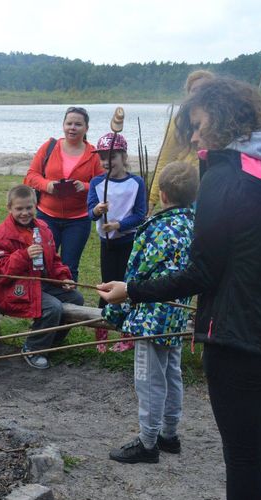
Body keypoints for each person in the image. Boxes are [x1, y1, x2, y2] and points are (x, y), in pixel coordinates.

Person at [98, 76, 261, 500]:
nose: (194, 141)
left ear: (222, 117)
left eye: (197, 127)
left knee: (244, 456)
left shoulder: (224, 176)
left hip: (239, 338)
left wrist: (132, 290)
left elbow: (201, 273)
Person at [101, 161, 197, 464]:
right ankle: (170, 434)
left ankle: (148, 441)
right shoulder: (195, 223)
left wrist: (116, 313)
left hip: (150, 316)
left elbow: (136, 275)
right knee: (172, 373)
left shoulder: (155, 227)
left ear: (163, 194)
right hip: (177, 314)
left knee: (149, 379)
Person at [0, 185, 83, 370]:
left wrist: (63, 278)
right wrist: (23, 255)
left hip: (39, 283)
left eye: (29, 208)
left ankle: (50, 341)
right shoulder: (3, 235)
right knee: (53, 307)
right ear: (9, 208)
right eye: (19, 209)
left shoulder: (43, 229)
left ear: (36, 206)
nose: (24, 213)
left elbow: (54, 259)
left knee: (76, 298)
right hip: (13, 288)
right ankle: (33, 348)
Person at [24, 106, 104, 282]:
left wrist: (84, 186)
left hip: (78, 220)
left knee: (69, 267)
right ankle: (43, 304)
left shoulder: (94, 154)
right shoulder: (49, 147)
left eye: (78, 124)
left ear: (86, 128)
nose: (72, 128)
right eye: (69, 123)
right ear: (63, 125)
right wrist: (48, 185)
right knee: (42, 262)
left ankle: (70, 304)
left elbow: (103, 185)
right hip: (46, 216)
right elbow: (31, 176)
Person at [87, 132, 147, 353]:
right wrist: (96, 210)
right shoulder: (96, 182)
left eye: (111, 156)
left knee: (127, 285)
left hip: (129, 242)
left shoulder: (136, 182)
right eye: (102, 157)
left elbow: (141, 214)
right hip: (108, 245)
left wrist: (119, 225)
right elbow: (90, 213)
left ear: (123, 156)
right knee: (106, 284)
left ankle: (127, 334)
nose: (106, 161)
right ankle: (102, 332)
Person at [148, 70, 214, 210]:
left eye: (205, 89)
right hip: (184, 192)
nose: (200, 94)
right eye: (195, 90)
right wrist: (151, 200)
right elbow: (165, 159)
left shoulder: (224, 123)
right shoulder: (177, 123)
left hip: (213, 191)